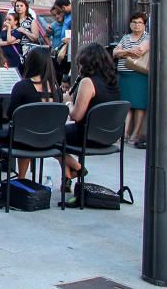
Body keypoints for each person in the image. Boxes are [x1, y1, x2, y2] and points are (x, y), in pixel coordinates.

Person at [0, 47, 60, 187]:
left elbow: (11, 114)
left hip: (23, 138)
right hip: (47, 138)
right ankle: (21, 179)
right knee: (25, 132)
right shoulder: (55, 88)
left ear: (30, 63)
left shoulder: (22, 86)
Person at [63, 43, 121, 188]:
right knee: (60, 136)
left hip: (88, 136)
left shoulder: (87, 82)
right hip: (109, 136)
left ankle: (77, 167)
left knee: (49, 134)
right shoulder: (112, 81)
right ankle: (67, 176)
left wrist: (68, 103)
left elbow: (76, 115)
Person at [113, 11, 149, 148]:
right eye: (134, 22)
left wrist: (123, 53)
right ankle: (124, 133)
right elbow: (115, 52)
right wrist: (128, 52)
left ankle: (135, 134)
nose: (136, 25)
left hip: (139, 75)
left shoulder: (148, 37)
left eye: (140, 22)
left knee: (139, 106)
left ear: (144, 25)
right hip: (125, 75)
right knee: (126, 105)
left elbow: (139, 51)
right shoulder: (126, 37)